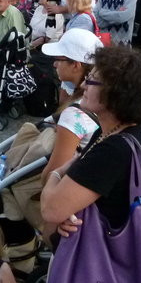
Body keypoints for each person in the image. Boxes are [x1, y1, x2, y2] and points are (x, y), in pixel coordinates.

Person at [41, 45, 141, 283]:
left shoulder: (113, 150)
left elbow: (51, 209)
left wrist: (57, 174)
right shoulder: (131, 131)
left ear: (115, 94)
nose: (84, 85)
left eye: (92, 80)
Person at [40, 29, 103, 181]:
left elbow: (51, 175)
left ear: (75, 65)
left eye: (58, 59)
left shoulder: (76, 113)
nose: (54, 64)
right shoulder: (98, 100)